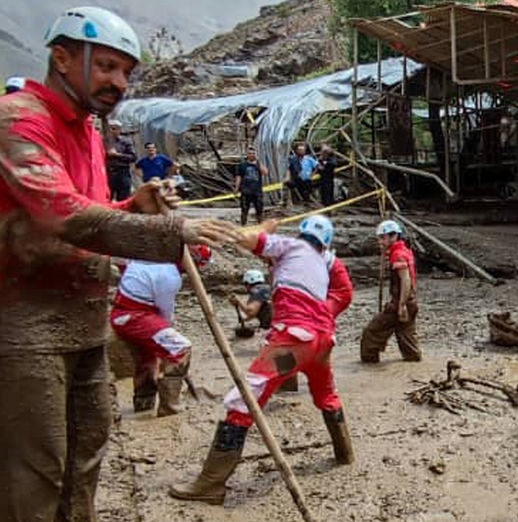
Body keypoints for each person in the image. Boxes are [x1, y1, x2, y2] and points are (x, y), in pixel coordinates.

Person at [0, 6, 239, 522]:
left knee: (89, 438)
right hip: (18, 312)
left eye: (125, 72)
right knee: (34, 462)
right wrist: (170, 231)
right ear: (63, 57)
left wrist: (131, 207)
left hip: (80, 308)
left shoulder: (88, 129)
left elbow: (89, 213)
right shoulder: (13, 121)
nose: (118, 81)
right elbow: (60, 214)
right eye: (107, 66)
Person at [170, 214, 355, 506]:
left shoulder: (290, 246)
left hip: (291, 345)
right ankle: (345, 453)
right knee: (326, 394)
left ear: (302, 234)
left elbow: (241, 238)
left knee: (243, 399)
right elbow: (345, 292)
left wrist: (264, 229)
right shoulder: (325, 261)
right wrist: (325, 313)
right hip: (321, 344)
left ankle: (210, 483)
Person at [110, 244, 210, 417]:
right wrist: (167, 332)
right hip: (134, 317)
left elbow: (122, 263)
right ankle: (170, 406)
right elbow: (165, 312)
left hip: (124, 312)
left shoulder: (149, 256)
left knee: (147, 356)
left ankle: (144, 403)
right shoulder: (169, 277)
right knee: (180, 348)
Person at [360, 219, 420, 363]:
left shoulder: (397, 254)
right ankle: (413, 362)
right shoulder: (404, 250)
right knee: (406, 336)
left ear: (393, 236)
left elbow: (405, 280)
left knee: (372, 332)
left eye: (382, 238)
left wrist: (401, 305)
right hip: (411, 301)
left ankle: (369, 362)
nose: (380, 242)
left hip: (401, 302)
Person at [231, 267, 273, 336]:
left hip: (270, 326)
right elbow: (260, 308)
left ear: (248, 283)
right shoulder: (267, 289)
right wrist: (245, 319)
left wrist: (238, 301)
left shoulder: (258, 291)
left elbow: (251, 312)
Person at [234, 146, 268, 225]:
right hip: (245, 191)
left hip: (257, 192)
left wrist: (258, 162)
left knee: (259, 211)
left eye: (253, 153)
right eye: (250, 153)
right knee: (244, 210)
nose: (251, 155)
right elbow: (238, 177)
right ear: (247, 155)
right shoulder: (242, 165)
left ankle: (260, 226)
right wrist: (236, 188)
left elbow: (265, 172)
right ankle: (243, 226)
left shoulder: (258, 164)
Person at [104, 119, 136, 201]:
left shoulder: (126, 142)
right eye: (109, 129)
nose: (111, 131)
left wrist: (117, 155)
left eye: (114, 129)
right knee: (106, 198)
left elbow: (132, 157)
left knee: (123, 198)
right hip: (108, 173)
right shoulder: (102, 142)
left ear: (119, 130)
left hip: (122, 173)